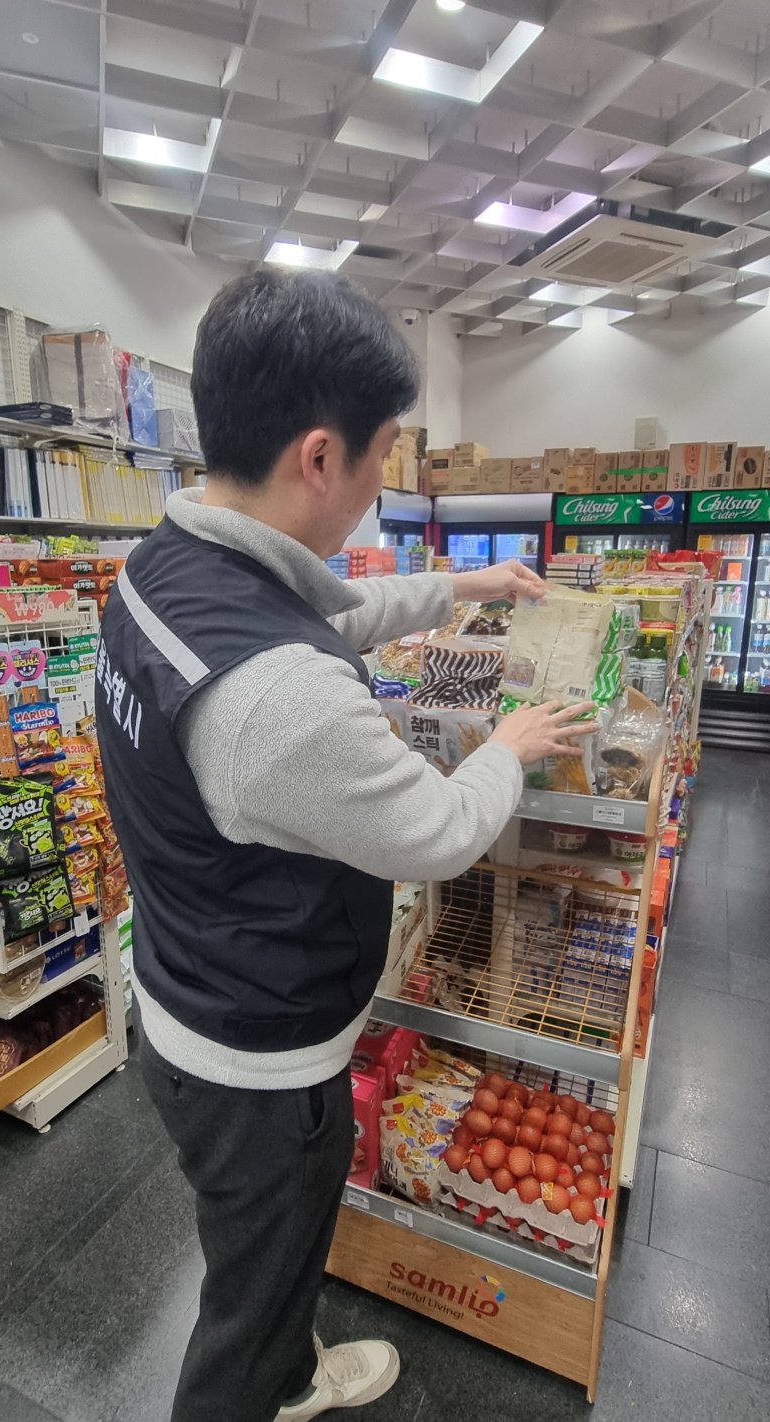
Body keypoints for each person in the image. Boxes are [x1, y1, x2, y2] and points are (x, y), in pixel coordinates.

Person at [95, 272, 596, 1422]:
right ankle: (266, 1386)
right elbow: (434, 832)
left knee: (253, 1262)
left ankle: (287, 1361)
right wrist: (507, 746)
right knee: (247, 1311)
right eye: (380, 459)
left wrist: (460, 584)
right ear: (320, 457)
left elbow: (328, 612)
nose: (379, 486)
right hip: (259, 1068)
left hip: (184, 986)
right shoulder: (276, 700)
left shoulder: (163, 567)